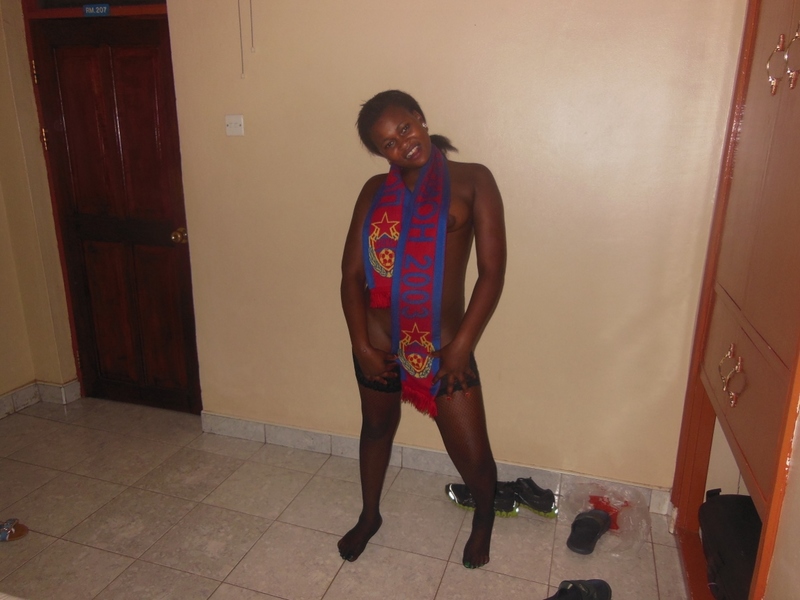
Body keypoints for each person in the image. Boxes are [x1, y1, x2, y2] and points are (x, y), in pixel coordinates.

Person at [339, 90, 506, 569]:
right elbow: (351, 275)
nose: (403, 144)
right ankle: (370, 515)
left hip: (444, 346)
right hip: (377, 340)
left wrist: (462, 346)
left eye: (405, 129)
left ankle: (484, 516)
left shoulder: (473, 179)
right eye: (388, 144)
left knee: (471, 451)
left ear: (420, 117)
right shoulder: (374, 191)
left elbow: (492, 273)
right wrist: (360, 344)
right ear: (381, 154)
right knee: (376, 428)